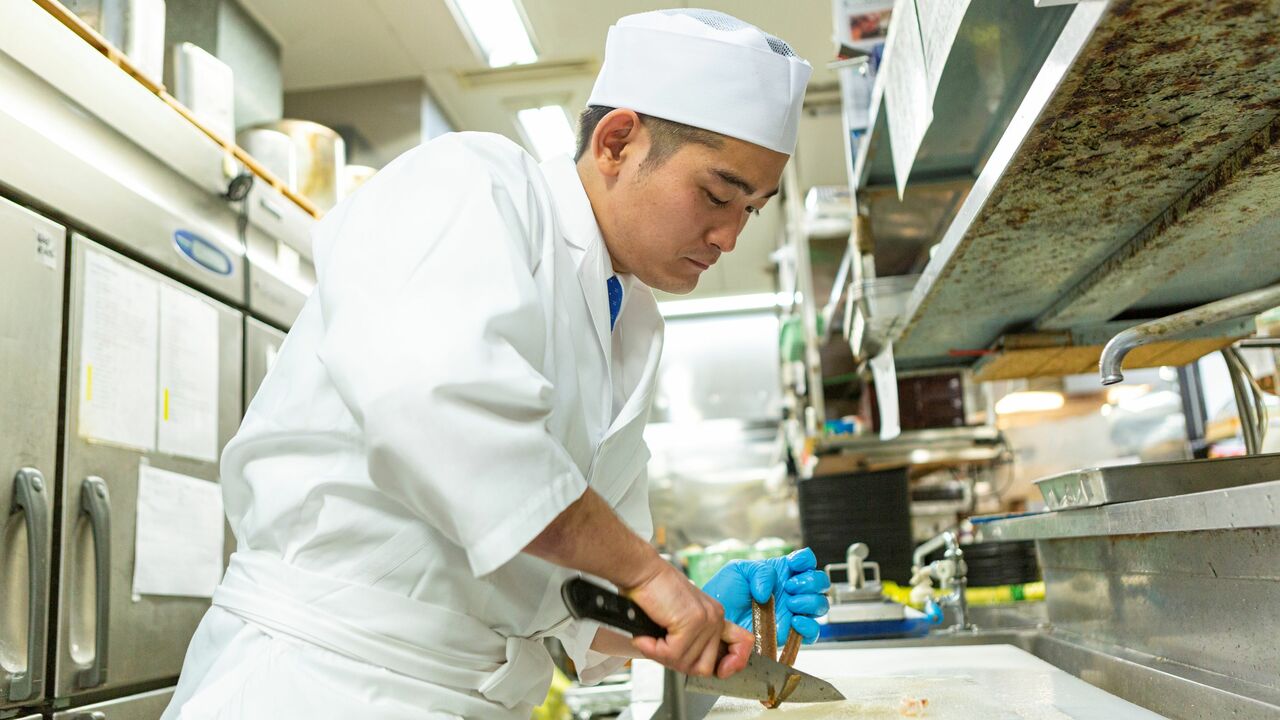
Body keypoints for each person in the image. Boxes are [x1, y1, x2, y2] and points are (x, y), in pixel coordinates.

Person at [163, 9, 820, 720]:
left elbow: (550, 596)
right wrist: (647, 575)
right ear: (616, 142)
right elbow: (440, 417)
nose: (728, 235)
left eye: (751, 209)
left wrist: (679, 622)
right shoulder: (472, 183)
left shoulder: (631, 323)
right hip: (321, 683)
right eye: (718, 195)